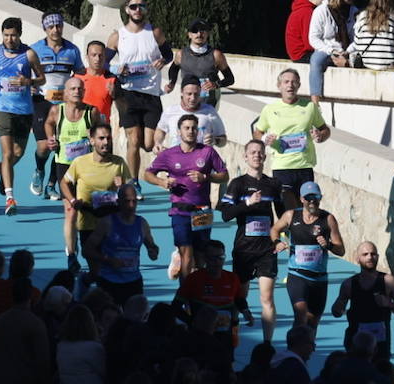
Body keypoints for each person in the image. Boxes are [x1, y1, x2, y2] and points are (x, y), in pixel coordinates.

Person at [144, 113, 228, 279]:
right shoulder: (169, 155)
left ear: (198, 132)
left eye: (194, 128)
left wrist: (206, 177)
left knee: (200, 257)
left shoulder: (208, 152)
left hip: (202, 211)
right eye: (186, 128)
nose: (190, 131)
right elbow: (148, 173)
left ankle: (197, 293)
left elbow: (224, 175)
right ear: (179, 132)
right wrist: (162, 182)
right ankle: (185, 294)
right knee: (187, 254)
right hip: (180, 211)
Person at [219, 139, 283, 344]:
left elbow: (283, 215)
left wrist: (283, 238)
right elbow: (226, 215)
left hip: (267, 250)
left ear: (265, 156)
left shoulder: (273, 185)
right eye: (252, 152)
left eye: (260, 152)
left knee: (267, 298)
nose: (257, 155)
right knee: (239, 298)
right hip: (244, 250)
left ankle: (267, 344)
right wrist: (247, 203)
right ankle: (234, 338)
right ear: (245, 157)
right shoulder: (237, 184)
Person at [0, 16, 45, 215]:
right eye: (6, 35)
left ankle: (3, 174)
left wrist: (29, 82)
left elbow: (41, 79)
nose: (9, 39)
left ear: (20, 35)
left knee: (17, 154)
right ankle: (10, 197)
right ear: (2, 35)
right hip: (3, 110)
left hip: (24, 111)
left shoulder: (29, 54)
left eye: (13, 35)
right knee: (7, 153)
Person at [106, 0, 169, 181]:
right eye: (133, 6)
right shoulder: (117, 36)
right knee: (133, 140)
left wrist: (163, 61)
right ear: (127, 9)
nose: (137, 10)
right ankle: (133, 181)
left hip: (151, 94)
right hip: (128, 94)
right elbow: (104, 64)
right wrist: (118, 69)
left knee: (149, 144)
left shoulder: (155, 32)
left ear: (146, 9)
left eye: (141, 6)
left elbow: (168, 54)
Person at [271, 181, 345, 328]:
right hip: (297, 275)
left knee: (312, 322)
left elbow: (341, 250)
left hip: (319, 279)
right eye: (308, 197)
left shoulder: (328, 219)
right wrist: (277, 242)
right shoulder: (291, 215)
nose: (312, 201)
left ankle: (306, 348)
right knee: (301, 314)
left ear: (320, 198)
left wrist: (328, 245)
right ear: (302, 199)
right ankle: (294, 348)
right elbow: (274, 229)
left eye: (316, 197)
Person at [254, 68, 331, 211]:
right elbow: (257, 133)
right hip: (282, 167)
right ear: (279, 85)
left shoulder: (309, 107)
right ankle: (286, 233)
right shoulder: (270, 109)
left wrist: (320, 136)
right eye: (286, 82)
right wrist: (264, 138)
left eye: (294, 82)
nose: (290, 85)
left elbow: (325, 130)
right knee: (288, 210)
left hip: (304, 167)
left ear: (299, 85)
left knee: (307, 210)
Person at [43, 77, 98, 269]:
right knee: (71, 211)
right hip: (65, 167)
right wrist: (51, 139)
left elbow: (101, 136)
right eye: (73, 88)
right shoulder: (57, 111)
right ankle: (72, 254)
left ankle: (90, 249)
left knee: (90, 212)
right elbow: (49, 124)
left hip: (87, 168)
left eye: (80, 88)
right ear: (65, 92)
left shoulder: (91, 112)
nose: (76, 91)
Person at [28, 10, 84, 200]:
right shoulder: (35, 49)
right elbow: (25, 73)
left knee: (62, 147)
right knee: (44, 146)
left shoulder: (72, 50)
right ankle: (39, 170)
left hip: (64, 103)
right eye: (51, 26)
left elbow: (80, 74)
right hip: (42, 101)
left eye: (58, 25)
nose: (55, 30)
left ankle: (51, 185)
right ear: (45, 28)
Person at [60, 121, 130, 269]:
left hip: (111, 222)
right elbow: (64, 183)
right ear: (92, 140)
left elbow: (130, 193)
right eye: (101, 138)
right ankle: (75, 262)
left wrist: (122, 187)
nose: (106, 142)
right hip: (88, 222)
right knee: (95, 268)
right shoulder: (80, 162)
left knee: (110, 268)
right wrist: (72, 200)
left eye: (108, 138)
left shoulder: (119, 163)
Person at [331, 241, 394, 358]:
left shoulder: (389, 282)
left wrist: (389, 304)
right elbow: (336, 311)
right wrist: (339, 308)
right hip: (355, 344)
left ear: (378, 257)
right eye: (365, 254)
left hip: (380, 346)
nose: (370, 257)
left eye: (373, 254)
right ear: (357, 259)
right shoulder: (349, 284)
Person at [83, 183, 159, 305]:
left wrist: (153, 251)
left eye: (134, 201)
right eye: (127, 201)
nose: (131, 206)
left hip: (133, 282)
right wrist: (107, 259)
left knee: (135, 320)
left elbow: (153, 248)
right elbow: (87, 250)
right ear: (118, 202)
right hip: (109, 281)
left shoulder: (142, 223)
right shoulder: (107, 223)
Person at [175, 240, 250, 350]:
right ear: (205, 259)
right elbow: (175, 306)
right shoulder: (193, 279)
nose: (217, 262)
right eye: (212, 258)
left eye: (220, 257)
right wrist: (191, 321)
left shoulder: (232, 278)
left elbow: (239, 299)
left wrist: (245, 311)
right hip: (200, 340)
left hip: (225, 339)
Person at [307, 0, 355, 104]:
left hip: (348, 50)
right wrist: (331, 51)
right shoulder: (322, 11)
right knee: (316, 60)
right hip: (328, 49)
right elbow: (314, 38)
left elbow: (358, 38)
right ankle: (315, 103)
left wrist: (347, 51)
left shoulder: (353, 12)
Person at [168, 19, 234, 108]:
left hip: (209, 105)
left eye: (203, 30)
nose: (199, 34)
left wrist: (216, 84)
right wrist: (171, 83)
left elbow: (230, 79)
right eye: (195, 31)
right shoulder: (181, 54)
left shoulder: (216, 55)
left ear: (208, 33)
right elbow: (173, 69)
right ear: (189, 34)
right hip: (188, 104)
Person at [155, 78, 227, 149]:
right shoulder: (170, 111)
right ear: (182, 92)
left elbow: (223, 140)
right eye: (189, 94)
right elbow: (161, 130)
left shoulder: (209, 112)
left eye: (196, 94)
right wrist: (158, 143)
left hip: (201, 159)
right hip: (176, 159)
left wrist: (215, 140)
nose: (193, 98)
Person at [79, 39, 117, 123]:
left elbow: (123, 107)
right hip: (80, 126)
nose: (97, 59)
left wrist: (115, 94)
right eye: (94, 55)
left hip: (102, 127)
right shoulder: (77, 77)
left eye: (100, 55)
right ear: (87, 57)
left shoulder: (112, 79)